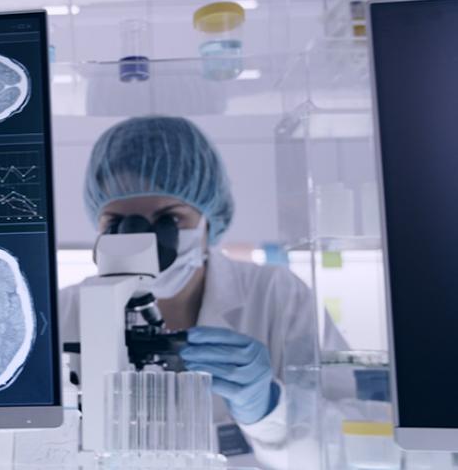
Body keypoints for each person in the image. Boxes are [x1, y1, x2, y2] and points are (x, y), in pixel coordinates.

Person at [58, 115, 348, 469]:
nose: (143, 239)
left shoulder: (277, 296)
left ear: (209, 220)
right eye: (117, 223)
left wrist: (269, 410)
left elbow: (346, 443)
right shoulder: (61, 314)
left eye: (170, 220)